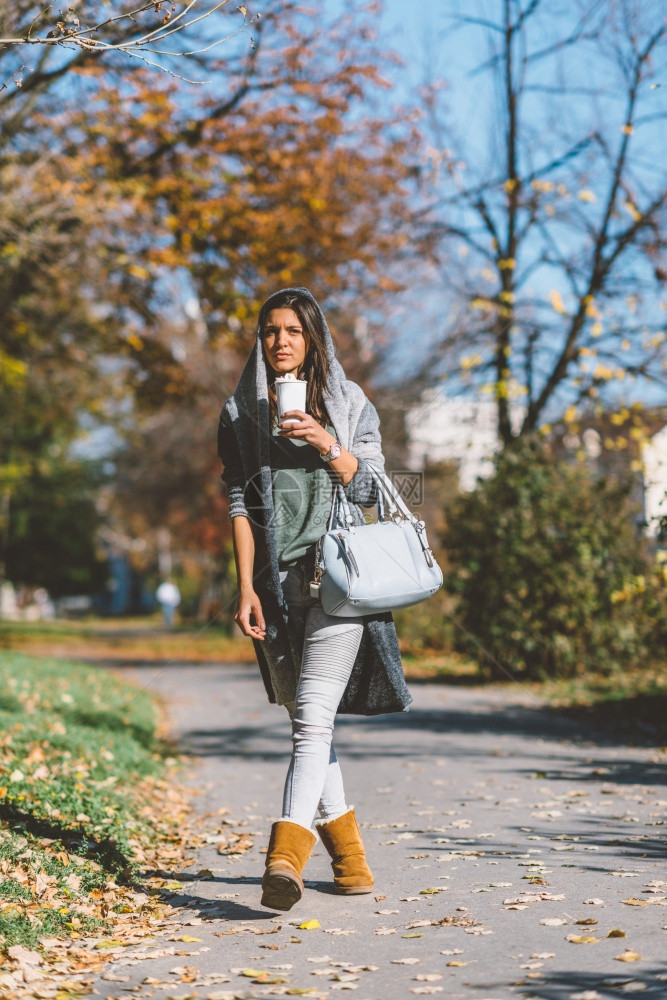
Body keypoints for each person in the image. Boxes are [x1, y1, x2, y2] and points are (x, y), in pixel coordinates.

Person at [217, 287, 412, 911]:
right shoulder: (241, 415)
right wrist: (246, 586)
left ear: (313, 339)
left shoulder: (352, 406)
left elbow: (375, 493)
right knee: (311, 717)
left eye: (293, 331)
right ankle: (351, 864)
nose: (280, 341)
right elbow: (241, 504)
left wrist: (328, 443)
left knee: (310, 721)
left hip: (342, 581)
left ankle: (284, 859)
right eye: (270, 330)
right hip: (279, 587)